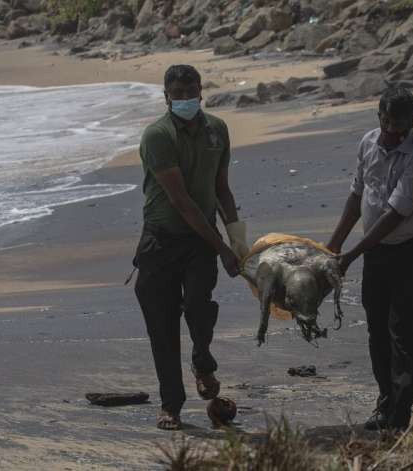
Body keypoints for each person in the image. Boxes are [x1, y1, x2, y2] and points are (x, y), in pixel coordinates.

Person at [132, 64, 249, 430]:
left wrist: (237, 240)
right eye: (177, 94)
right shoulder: (158, 136)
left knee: (200, 308)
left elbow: (222, 189)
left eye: (190, 92)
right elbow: (181, 202)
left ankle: (202, 362)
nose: (185, 99)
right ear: (166, 97)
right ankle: (172, 405)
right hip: (162, 240)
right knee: (162, 325)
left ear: (201, 91)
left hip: (201, 241)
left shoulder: (217, 129)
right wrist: (223, 248)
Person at [327, 87, 413, 431]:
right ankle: (385, 401)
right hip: (377, 251)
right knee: (377, 328)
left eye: (400, 125)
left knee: (404, 329)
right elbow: (356, 196)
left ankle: (399, 415)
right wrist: (333, 245)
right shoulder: (368, 143)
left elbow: (395, 214)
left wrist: (352, 254)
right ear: (379, 117)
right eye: (387, 122)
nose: (392, 132)